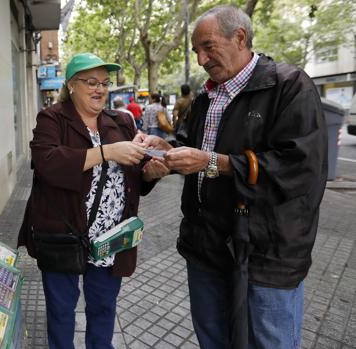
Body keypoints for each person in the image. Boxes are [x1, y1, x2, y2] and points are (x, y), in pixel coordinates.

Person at [143, 5, 327, 348]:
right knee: (213, 340)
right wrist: (164, 150)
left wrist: (216, 163)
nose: (200, 59)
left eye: (207, 46)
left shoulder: (288, 86)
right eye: (196, 51)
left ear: (239, 37)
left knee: (268, 342)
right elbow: (192, 145)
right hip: (206, 251)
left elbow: (301, 168)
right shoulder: (206, 97)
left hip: (266, 256)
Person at [17, 52, 169, 349]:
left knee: (103, 310)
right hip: (63, 235)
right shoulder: (52, 119)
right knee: (61, 314)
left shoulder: (121, 122)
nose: (100, 89)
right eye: (91, 82)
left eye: (104, 82)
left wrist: (151, 173)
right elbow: (47, 162)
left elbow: (134, 177)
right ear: (71, 85)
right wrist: (107, 152)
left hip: (111, 240)